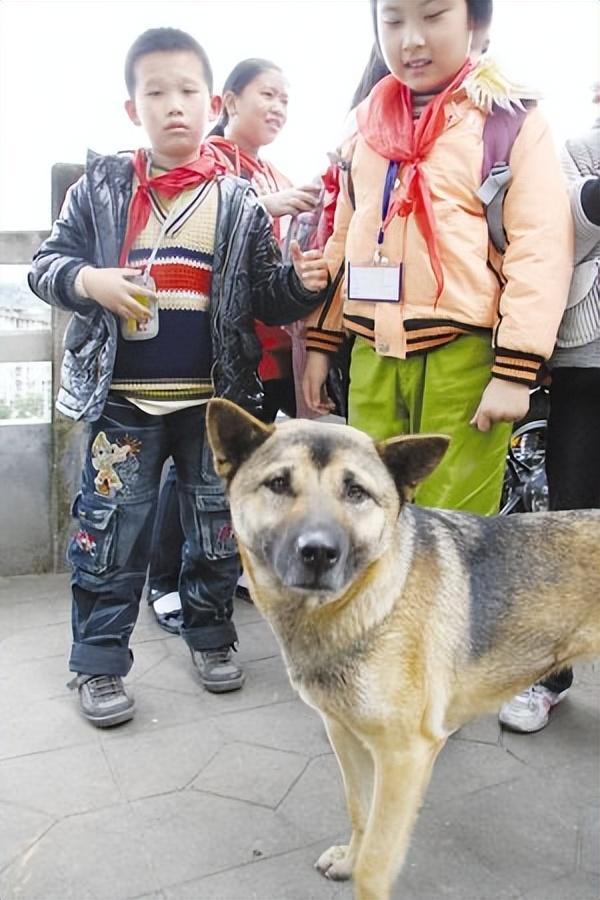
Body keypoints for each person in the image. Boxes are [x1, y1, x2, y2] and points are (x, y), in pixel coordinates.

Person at [28, 27, 328, 727]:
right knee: (109, 533)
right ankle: (98, 663)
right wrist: (91, 281)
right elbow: (45, 266)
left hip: (214, 409)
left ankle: (212, 636)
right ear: (132, 108)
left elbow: (265, 298)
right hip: (122, 405)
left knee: (217, 531)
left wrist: (302, 284)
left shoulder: (239, 202)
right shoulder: (100, 189)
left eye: (188, 91)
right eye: (156, 92)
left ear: (211, 103)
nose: (174, 105)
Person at [302, 0, 573, 522]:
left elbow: (541, 246)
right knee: (369, 515)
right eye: (393, 20)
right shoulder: (365, 128)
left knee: (455, 525)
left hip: (466, 358)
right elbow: (345, 236)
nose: (411, 39)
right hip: (373, 353)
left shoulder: (510, 120)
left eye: (432, 16)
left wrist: (515, 370)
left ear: (477, 22)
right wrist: (322, 340)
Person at [145, 57, 322, 630]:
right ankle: (164, 580)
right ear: (228, 101)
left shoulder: (271, 169)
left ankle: (229, 569)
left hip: (267, 347)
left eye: (285, 99)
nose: (278, 107)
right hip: (215, 350)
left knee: (244, 466)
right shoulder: (209, 160)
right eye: (267, 94)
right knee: (191, 468)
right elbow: (192, 222)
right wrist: (267, 207)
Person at [499, 87, 600, 733]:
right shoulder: (574, 152)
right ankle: (548, 674)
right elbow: (559, 239)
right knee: (569, 528)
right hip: (586, 364)